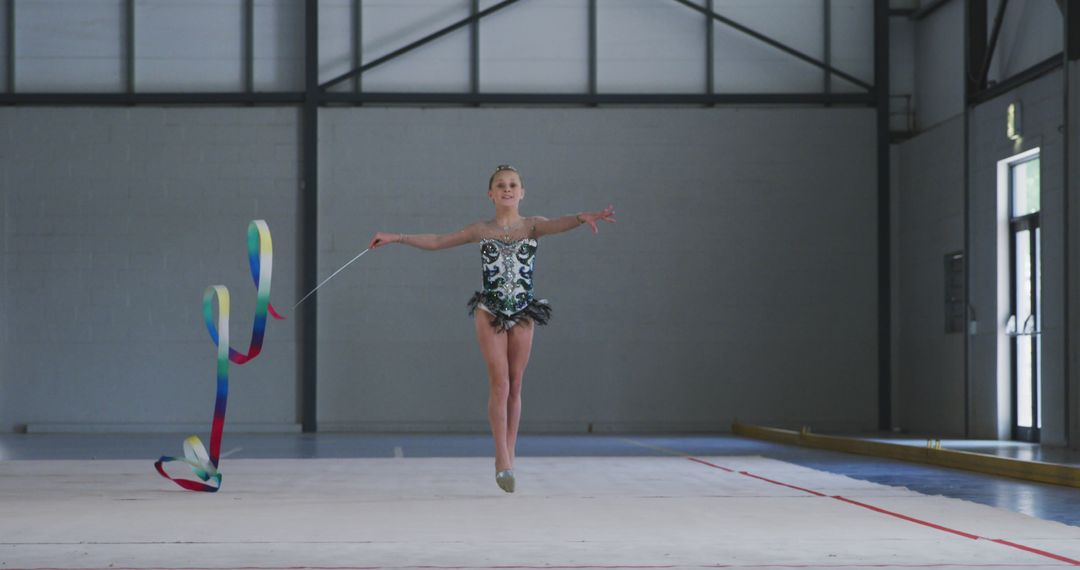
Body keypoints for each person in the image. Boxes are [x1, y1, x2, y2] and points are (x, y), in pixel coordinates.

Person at [367, 164, 616, 493]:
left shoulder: (533, 226)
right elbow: (440, 240)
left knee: (516, 383)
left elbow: (559, 224)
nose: (507, 189)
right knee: (499, 382)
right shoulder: (481, 230)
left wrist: (583, 218)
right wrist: (397, 237)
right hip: (491, 310)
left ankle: (511, 453)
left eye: (513, 184)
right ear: (491, 194)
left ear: (522, 192)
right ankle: (501, 458)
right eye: (501, 185)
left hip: (524, 310)